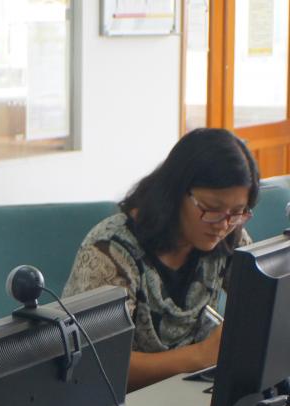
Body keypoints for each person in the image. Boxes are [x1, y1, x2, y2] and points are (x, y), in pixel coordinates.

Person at [63, 128, 259, 391]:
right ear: (177, 192)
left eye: (237, 212)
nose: (223, 224)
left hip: (186, 394)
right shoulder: (109, 252)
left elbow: (261, 304)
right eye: (211, 209)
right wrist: (199, 356)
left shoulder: (228, 235)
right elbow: (94, 365)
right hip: (122, 405)